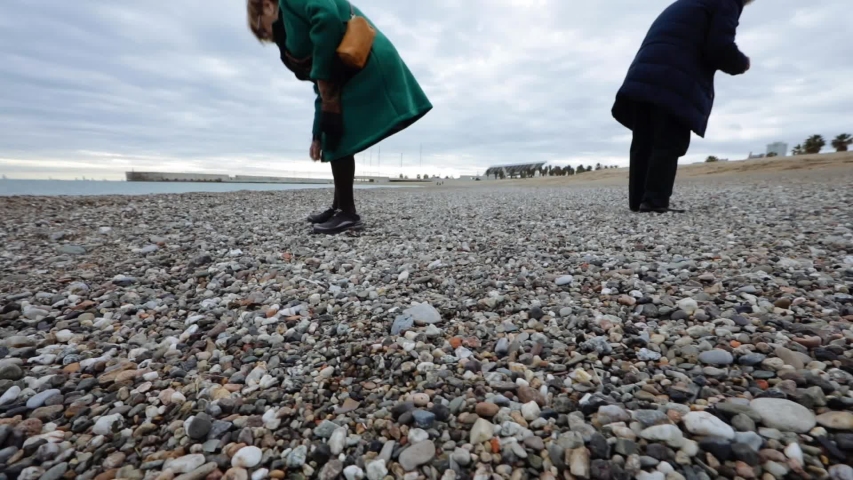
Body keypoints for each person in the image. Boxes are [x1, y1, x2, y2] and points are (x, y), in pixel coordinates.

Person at [247, 0, 432, 233]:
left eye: (262, 28)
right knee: (330, 128)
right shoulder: (291, 29)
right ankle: (338, 207)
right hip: (345, 70)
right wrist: (316, 134)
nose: (268, 36)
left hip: (363, 58)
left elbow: (327, 18)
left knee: (338, 130)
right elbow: (320, 84)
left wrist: (325, 82)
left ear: (266, 6)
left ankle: (348, 213)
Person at [611, 0, 753, 213]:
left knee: (644, 138)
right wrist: (742, 63)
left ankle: (640, 200)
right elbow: (718, 47)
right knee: (669, 139)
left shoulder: (688, 3)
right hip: (675, 76)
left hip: (643, 73)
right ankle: (654, 201)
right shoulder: (727, 2)